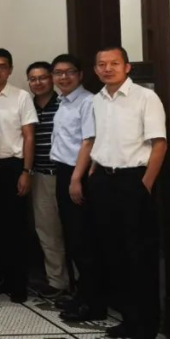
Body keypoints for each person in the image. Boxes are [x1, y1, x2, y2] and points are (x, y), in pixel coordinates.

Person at [86, 46, 166, 339]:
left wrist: (145, 185)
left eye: (114, 63)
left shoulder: (145, 98)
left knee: (139, 255)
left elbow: (159, 144)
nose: (108, 69)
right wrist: (93, 172)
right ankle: (129, 319)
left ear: (127, 67)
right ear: (96, 69)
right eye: (102, 64)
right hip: (103, 181)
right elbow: (99, 140)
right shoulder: (97, 100)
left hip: (133, 181)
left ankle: (147, 328)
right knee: (112, 254)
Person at [0, 48, 37, 303]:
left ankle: (18, 284)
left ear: (10, 70)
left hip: (13, 168)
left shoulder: (21, 97)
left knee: (16, 229)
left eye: (2, 66)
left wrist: (26, 170)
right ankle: (0, 279)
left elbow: (29, 136)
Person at [48, 54, 97, 322]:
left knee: (83, 239)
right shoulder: (64, 102)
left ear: (80, 75)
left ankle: (92, 302)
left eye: (69, 72)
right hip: (64, 171)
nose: (63, 77)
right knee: (73, 237)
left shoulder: (87, 102)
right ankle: (81, 295)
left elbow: (89, 142)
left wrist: (76, 179)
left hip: (77, 174)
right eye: (58, 73)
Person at [26, 61, 70, 299]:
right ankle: (57, 281)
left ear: (51, 78)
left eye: (43, 77)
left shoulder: (65, 103)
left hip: (67, 174)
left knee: (74, 230)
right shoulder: (28, 106)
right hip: (40, 175)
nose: (38, 83)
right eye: (33, 79)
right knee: (47, 230)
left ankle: (81, 282)